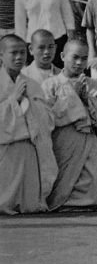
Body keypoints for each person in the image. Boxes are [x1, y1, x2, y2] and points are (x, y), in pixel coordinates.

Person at [36, 37, 97, 211]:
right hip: (64, 142)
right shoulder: (50, 84)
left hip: (88, 140)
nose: (79, 63)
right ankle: (65, 201)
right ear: (62, 56)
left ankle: (91, 201)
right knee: (65, 176)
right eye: (75, 57)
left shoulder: (92, 84)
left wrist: (87, 101)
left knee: (90, 172)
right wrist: (72, 98)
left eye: (84, 58)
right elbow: (45, 118)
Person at [1, 33, 56, 214]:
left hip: (30, 148)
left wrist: (31, 106)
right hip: (5, 150)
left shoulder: (32, 84)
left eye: (22, 53)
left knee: (30, 206)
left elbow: (48, 118)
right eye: (13, 53)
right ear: (1, 55)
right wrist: (13, 101)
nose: (19, 58)